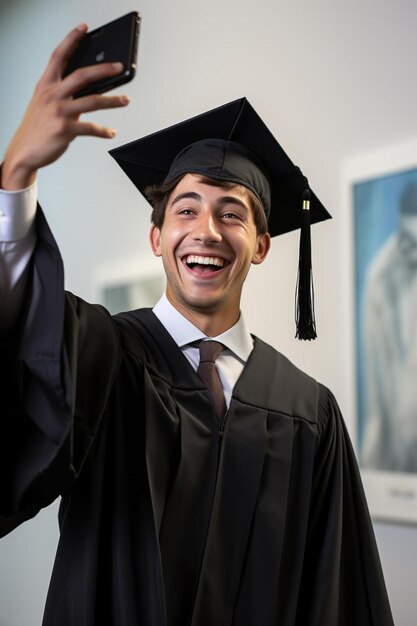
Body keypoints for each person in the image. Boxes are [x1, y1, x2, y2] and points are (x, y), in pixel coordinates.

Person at [0, 24, 393, 626]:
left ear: (260, 245)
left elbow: (336, 591)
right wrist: (16, 177)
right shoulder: (104, 355)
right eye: (186, 209)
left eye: (231, 213)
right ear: (158, 238)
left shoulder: (309, 411)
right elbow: (26, 320)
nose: (206, 231)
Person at [361, 180, 417, 472]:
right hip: (396, 440)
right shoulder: (381, 277)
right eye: (409, 242)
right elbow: (378, 381)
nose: (414, 256)